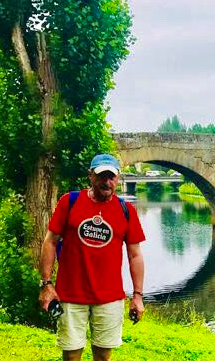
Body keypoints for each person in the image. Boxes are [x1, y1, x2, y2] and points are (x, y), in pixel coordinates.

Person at [38, 153, 146, 361]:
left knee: (103, 357)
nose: (107, 182)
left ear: (118, 178)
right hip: (70, 296)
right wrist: (46, 283)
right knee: (71, 356)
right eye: (101, 176)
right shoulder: (69, 202)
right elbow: (50, 242)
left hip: (109, 298)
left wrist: (138, 296)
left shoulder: (126, 210)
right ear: (90, 176)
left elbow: (135, 255)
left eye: (111, 177)